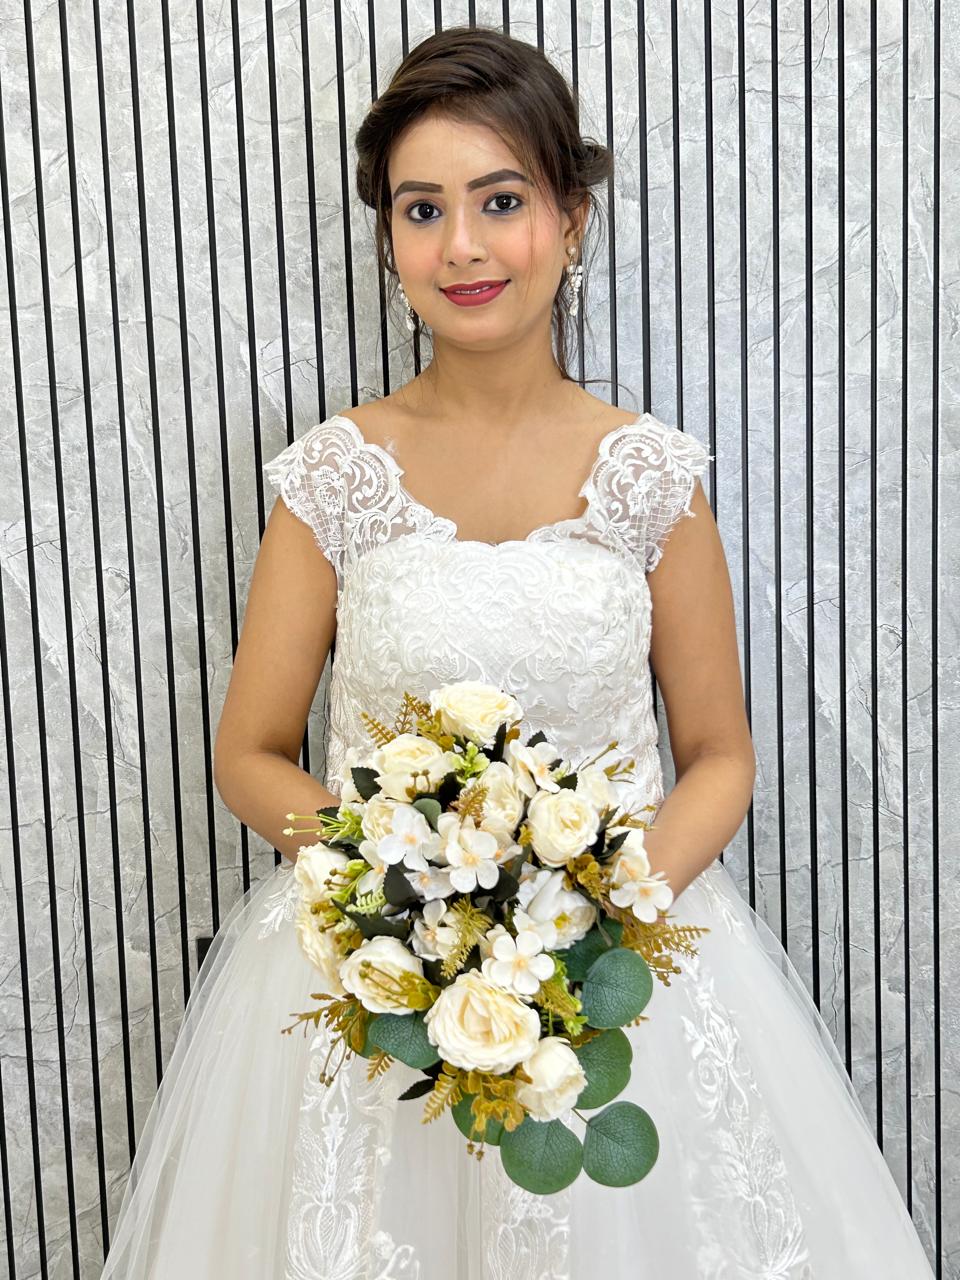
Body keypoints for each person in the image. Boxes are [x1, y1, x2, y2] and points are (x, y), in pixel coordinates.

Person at [100, 25, 935, 1279]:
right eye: (423, 209)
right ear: (387, 238)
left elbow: (719, 751)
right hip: (367, 970)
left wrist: (586, 911)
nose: (465, 247)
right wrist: (410, 892)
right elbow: (252, 749)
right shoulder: (334, 472)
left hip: (617, 965)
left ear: (572, 213)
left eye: (502, 201)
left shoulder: (650, 475)